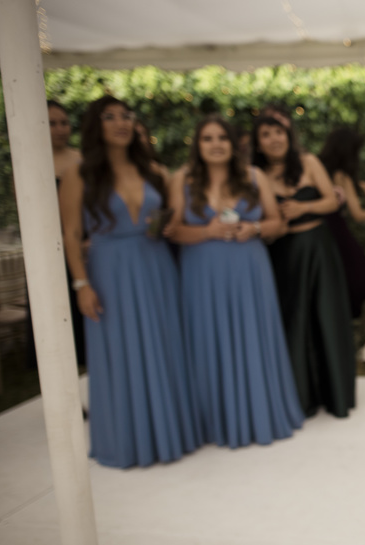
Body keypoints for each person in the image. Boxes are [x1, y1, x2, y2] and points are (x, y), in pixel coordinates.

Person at [59, 97, 198, 468]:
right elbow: (71, 234)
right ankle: (127, 439)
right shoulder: (79, 173)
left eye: (126, 115)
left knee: (165, 344)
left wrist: (167, 225)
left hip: (157, 266)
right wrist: (81, 284)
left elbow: (173, 218)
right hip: (110, 270)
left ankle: (173, 433)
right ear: (96, 125)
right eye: (110, 117)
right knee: (120, 350)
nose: (121, 122)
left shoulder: (154, 170)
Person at [167, 116, 304, 448]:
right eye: (207, 138)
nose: (216, 145)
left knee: (252, 336)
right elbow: (172, 230)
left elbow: (278, 224)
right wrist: (207, 231)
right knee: (206, 338)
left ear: (233, 144)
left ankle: (259, 414)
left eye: (222, 138)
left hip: (248, 270)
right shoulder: (182, 179)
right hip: (202, 272)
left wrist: (253, 228)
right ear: (197, 145)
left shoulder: (254, 176)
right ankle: (212, 421)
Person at [252, 112, 357, 419]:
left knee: (326, 317)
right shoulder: (255, 174)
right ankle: (299, 396)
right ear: (258, 142)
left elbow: (332, 201)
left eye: (279, 132)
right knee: (293, 322)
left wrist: (303, 207)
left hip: (317, 249)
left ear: (288, 135)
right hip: (282, 253)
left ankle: (335, 394)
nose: (274, 139)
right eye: (266, 134)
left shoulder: (309, 162)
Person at [317, 125, 365, 319]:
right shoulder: (342, 175)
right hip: (337, 230)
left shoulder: (319, 169)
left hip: (319, 231)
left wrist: (358, 184)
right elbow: (358, 214)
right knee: (361, 274)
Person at [47, 101, 87, 366]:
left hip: (84, 242)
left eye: (64, 122)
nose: (60, 129)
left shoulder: (81, 159)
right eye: (52, 123)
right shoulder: (30, 162)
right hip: (49, 247)